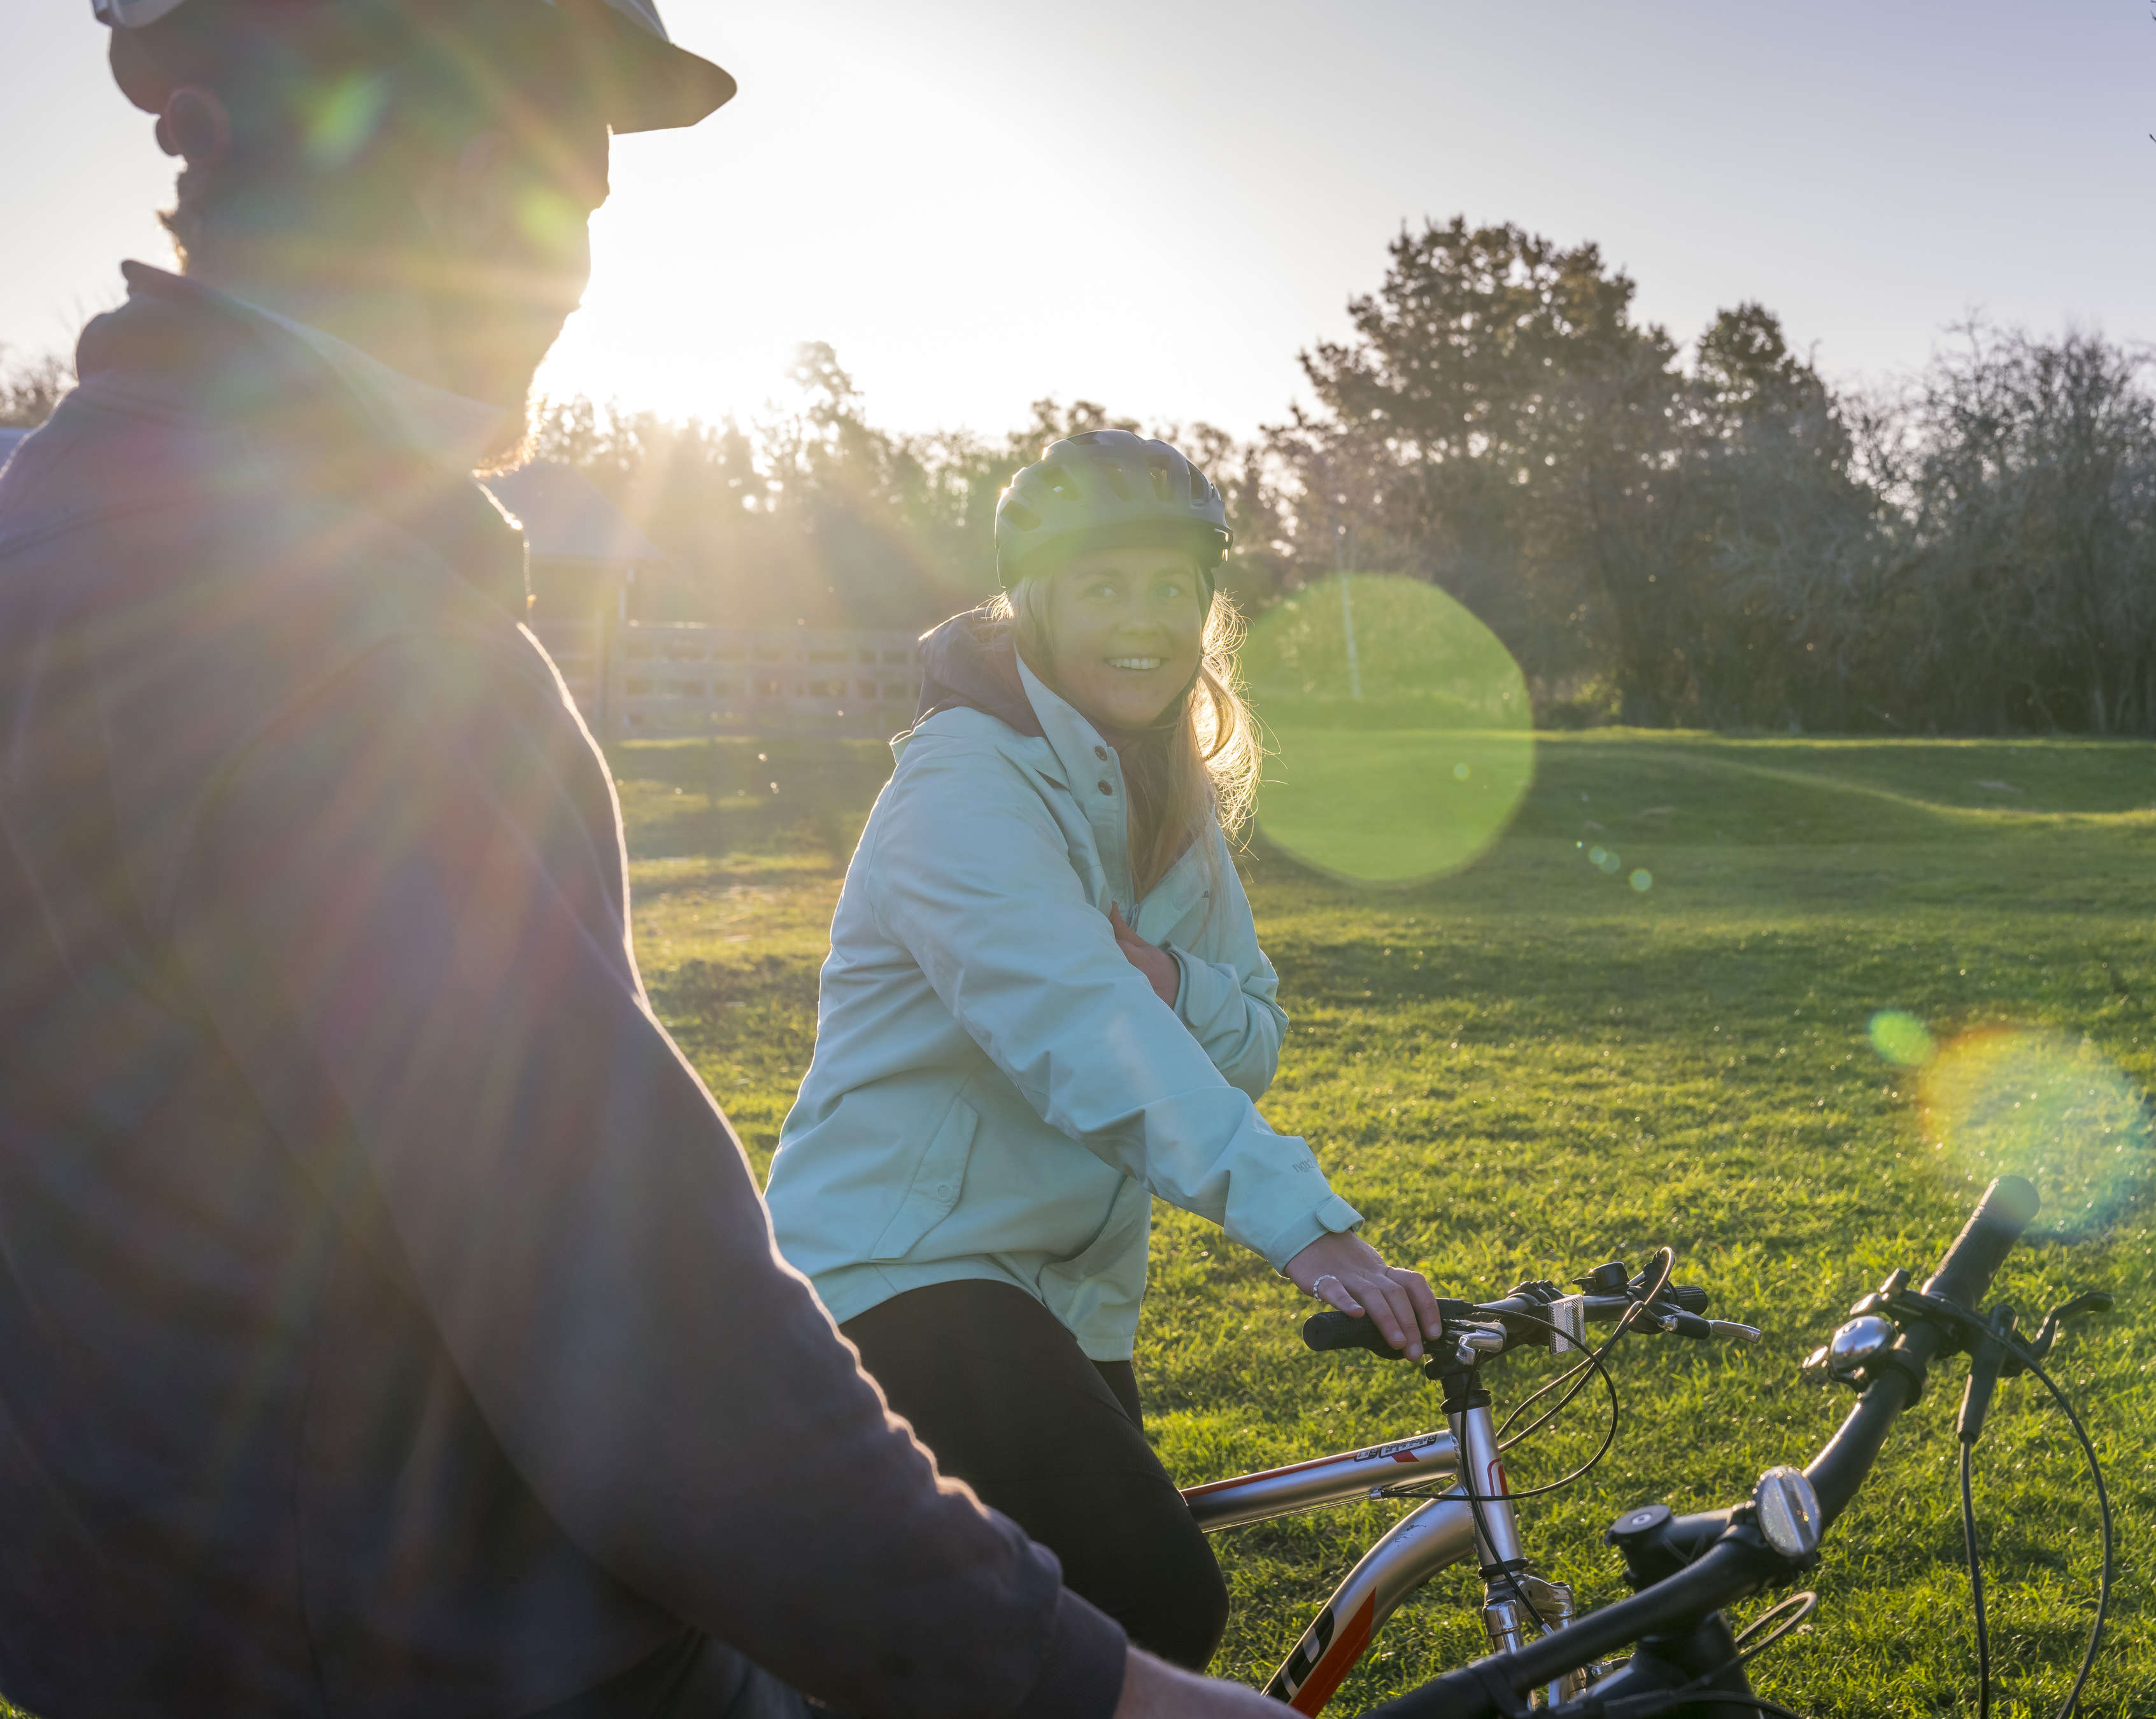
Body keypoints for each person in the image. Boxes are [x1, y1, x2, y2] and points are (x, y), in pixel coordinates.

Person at [0, 4, 1307, 1715]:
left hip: (138, 1629)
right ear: (490, 185)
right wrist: (1081, 1685)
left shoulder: (58, 542)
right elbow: (619, 1296)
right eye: (587, 191)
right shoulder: (337, 620)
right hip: (449, 1651)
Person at [765, 430, 1442, 1671]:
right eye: (1104, 585)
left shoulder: (1165, 801)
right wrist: (1309, 1223)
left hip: (1067, 1303)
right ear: (1033, 603)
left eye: (1173, 588)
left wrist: (1168, 977)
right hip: (900, 1272)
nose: (1147, 620)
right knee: (1153, 1605)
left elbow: (1252, 1032)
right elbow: (1086, 1030)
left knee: (1077, 1634)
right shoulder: (963, 788)